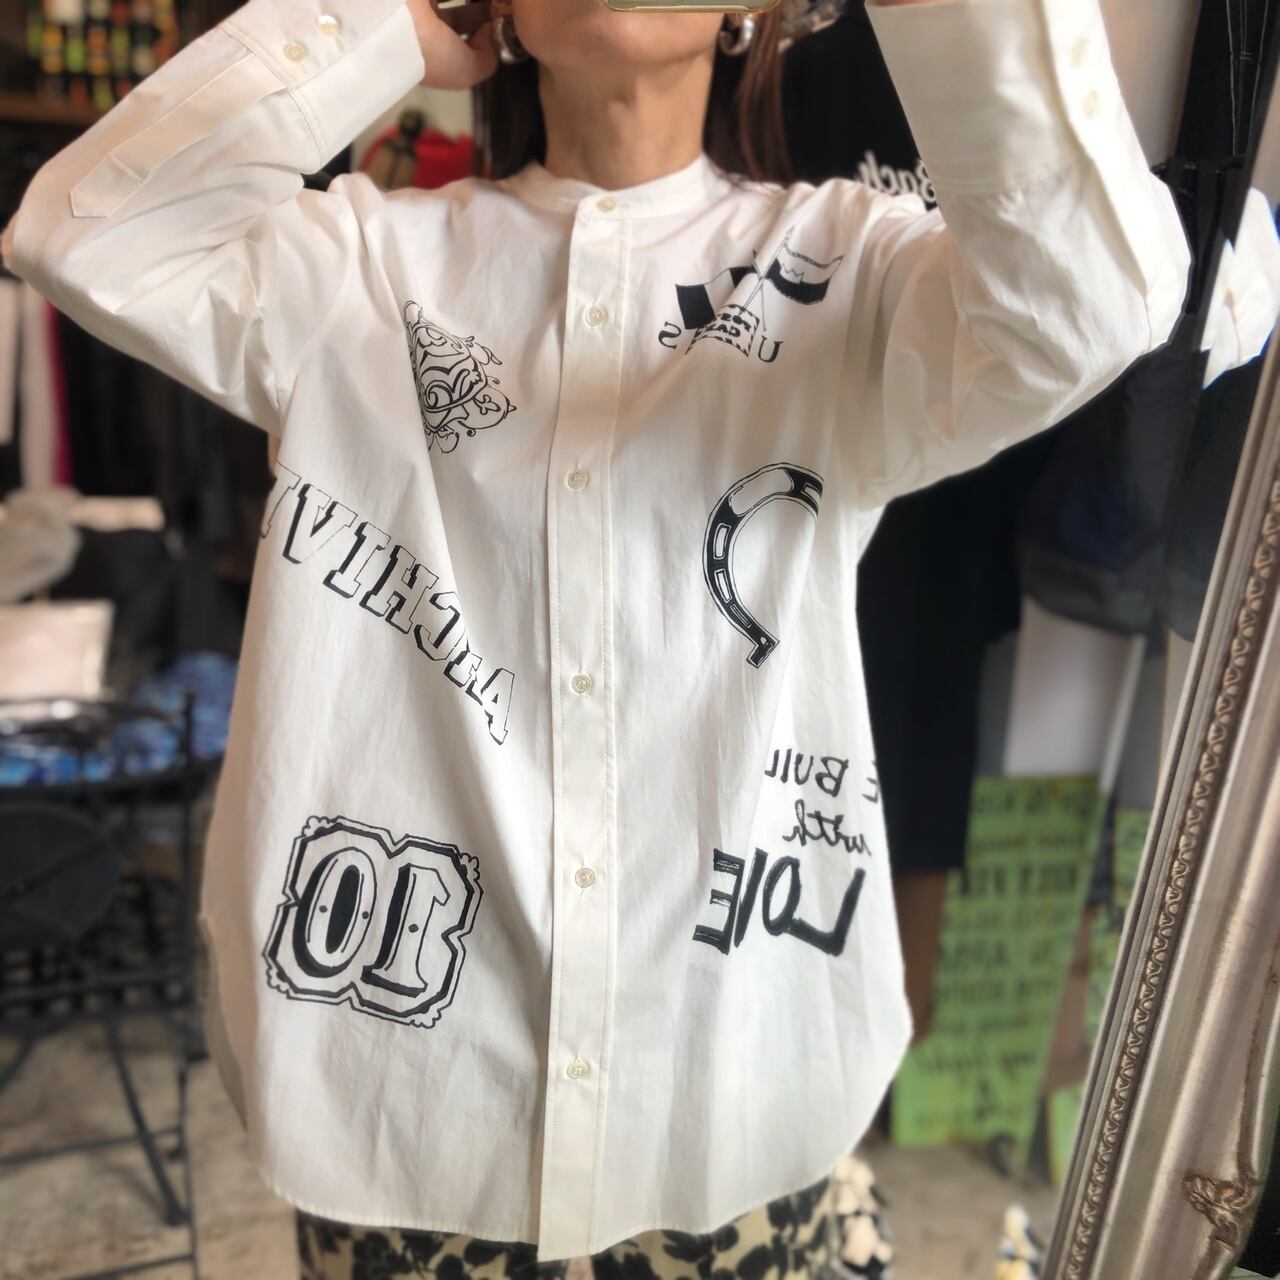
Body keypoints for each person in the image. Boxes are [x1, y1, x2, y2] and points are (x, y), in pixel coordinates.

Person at [1, 0, 1192, 1276]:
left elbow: (1089, 303)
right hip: (407, 1113)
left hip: (729, 1108)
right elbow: (82, 230)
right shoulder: (357, 266)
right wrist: (381, 30)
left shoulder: (845, 267)